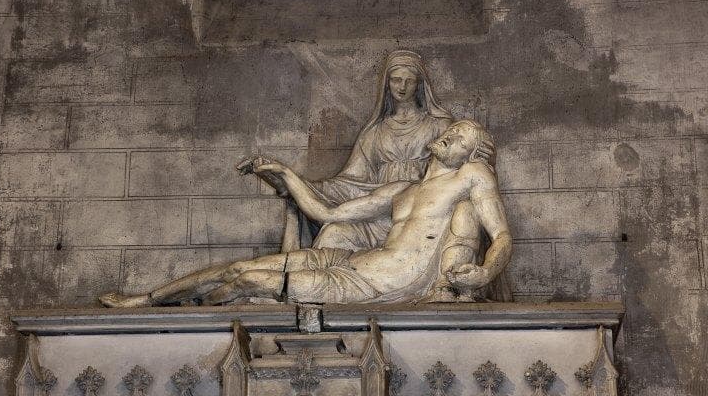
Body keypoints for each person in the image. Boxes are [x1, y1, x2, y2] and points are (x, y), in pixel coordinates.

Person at [99, 121, 512, 308]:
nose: (450, 134)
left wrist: (485, 273)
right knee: (238, 267)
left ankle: (206, 307)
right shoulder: (401, 190)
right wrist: (285, 173)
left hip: (381, 282)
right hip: (354, 261)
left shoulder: (472, 177)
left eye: (461, 137)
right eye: (453, 129)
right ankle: (148, 299)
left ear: (471, 155)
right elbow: (325, 211)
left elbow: (501, 237)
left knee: (249, 280)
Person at [282, 49, 467, 252]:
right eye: (396, 80)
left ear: (419, 85)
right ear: (387, 84)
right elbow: (350, 182)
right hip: (378, 213)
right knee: (332, 234)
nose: (402, 87)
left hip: (419, 211)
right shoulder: (375, 133)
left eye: (409, 81)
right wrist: (302, 187)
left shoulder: (439, 126)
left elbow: (459, 170)